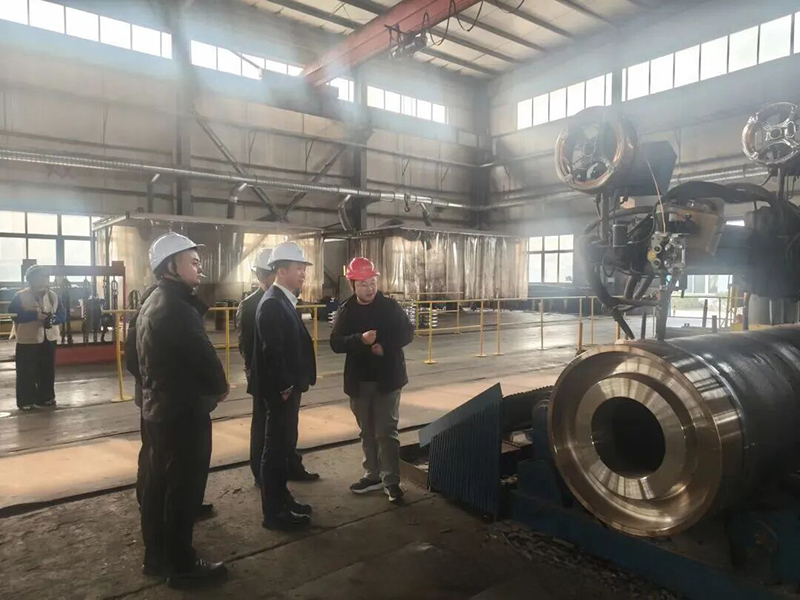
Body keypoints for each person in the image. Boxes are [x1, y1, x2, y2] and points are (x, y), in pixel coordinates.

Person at [136, 232, 229, 586]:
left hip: (157, 409)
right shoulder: (177, 307)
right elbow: (203, 355)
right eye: (192, 261)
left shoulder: (151, 301)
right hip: (183, 413)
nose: (199, 267)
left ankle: (156, 557)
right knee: (184, 489)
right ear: (170, 266)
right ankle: (182, 566)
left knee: (158, 485)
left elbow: (133, 358)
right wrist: (219, 387)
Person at [330, 257, 414, 503]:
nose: (370, 288)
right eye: (364, 284)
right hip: (360, 381)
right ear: (353, 285)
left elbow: (408, 332)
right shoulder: (347, 310)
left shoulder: (390, 307)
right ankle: (373, 474)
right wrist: (359, 340)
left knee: (386, 431)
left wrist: (384, 346)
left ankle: (391, 481)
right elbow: (336, 343)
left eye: (373, 283)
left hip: (387, 379)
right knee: (366, 431)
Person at [249, 241, 317, 530]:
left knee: (282, 447)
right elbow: (272, 351)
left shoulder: (282, 299)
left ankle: (282, 499)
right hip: (281, 392)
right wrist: (285, 387)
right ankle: (274, 513)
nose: (303, 273)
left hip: (286, 389)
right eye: (298, 268)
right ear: (280, 271)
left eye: (303, 268)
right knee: (275, 451)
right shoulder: (272, 303)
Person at [9, 265, 65, 411]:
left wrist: (54, 319)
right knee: (26, 371)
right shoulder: (20, 296)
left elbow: (62, 314)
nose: (45, 279)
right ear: (31, 279)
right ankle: (26, 400)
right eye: (42, 276)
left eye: (46, 276)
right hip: (28, 338)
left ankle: (46, 397)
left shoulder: (53, 296)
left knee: (47, 369)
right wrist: (34, 316)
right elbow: (13, 315)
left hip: (49, 337)